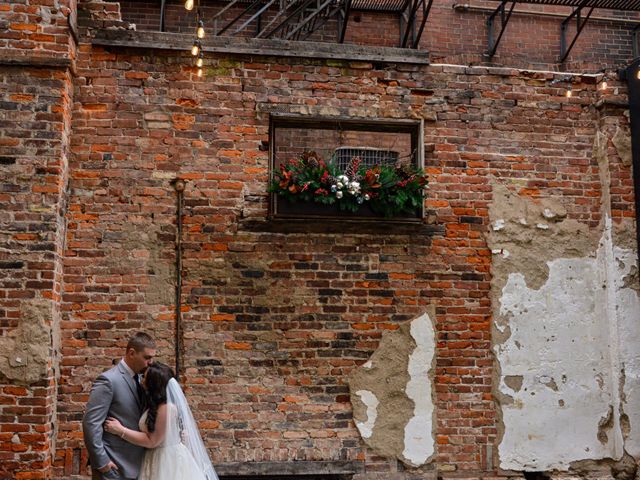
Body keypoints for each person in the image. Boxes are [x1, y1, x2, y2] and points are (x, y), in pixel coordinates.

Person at [104, 362, 218, 480]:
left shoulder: (167, 408)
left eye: (145, 378)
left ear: (154, 384)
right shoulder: (156, 404)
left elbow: (152, 441)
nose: (142, 381)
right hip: (154, 458)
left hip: (167, 461)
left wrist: (120, 430)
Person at [83, 332, 156, 480]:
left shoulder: (144, 380)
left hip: (138, 464)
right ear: (131, 353)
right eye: (147, 357)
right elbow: (91, 423)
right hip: (113, 465)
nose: (151, 362)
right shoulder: (108, 380)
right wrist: (101, 462)